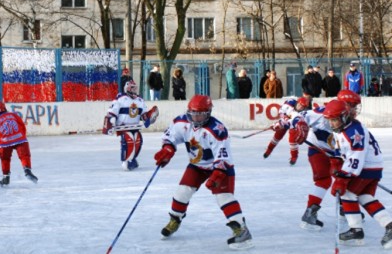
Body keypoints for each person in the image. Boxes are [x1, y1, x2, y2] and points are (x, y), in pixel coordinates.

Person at [154, 95, 253, 249]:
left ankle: (241, 230)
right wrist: (167, 149)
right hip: (197, 166)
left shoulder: (216, 130)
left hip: (219, 168)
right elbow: (170, 137)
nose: (196, 116)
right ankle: (175, 220)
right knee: (181, 192)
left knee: (223, 197)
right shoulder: (181, 122)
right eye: (193, 112)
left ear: (208, 112)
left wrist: (217, 174)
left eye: (200, 113)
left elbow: (223, 156)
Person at [288, 90, 362, 231]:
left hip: (336, 154)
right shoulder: (323, 112)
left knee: (346, 178)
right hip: (318, 149)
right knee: (323, 180)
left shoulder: (351, 122)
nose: (355, 110)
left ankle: (345, 208)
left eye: (356, 106)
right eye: (352, 105)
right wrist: (300, 126)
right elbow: (298, 116)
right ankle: (310, 213)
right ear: (344, 104)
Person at [323, 99, 392, 248]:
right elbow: (339, 148)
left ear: (343, 117)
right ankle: (389, 226)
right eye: (330, 120)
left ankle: (356, 230)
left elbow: (356, 159)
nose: (332, 123)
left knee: (346, 193)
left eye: (334, 120)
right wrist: (336, 161)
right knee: (364, 197)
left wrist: (342, 179)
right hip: (371, 167)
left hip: (365, 167)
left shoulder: (353, 132)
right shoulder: (342, 128)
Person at [103, 80, 158, 171]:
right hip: (123, 126)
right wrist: (112, 120)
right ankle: (125, 161)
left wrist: (148, 117)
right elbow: (113, 110)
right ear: (127, 88)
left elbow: (143, 114)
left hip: (135, 126)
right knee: (129, 140)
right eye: (132, 88)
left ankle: (132, 159)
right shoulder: (121, 97)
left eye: (135, 88)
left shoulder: (140, 100)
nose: (135, 90)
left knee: (138, 140)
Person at [0, 101, 38, 187]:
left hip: (5, 142)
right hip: (19, 138)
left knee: (5, 159)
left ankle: (6, 177)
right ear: (4, 108)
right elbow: (22, 126)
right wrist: (22, 137)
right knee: (24, 155)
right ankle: (27, 170)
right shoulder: (14, 115)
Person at [263, 96, 311, 165]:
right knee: (277, 136)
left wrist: (280, 124)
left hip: (293, 125)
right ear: (297, 102)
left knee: (292, 140)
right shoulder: (290, 102)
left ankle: (294, 157)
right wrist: (282, 119)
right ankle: (269, 149)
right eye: (299, 105)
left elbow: (291, 122)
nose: (300, 107)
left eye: (302, 107)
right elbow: (281, 110)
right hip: (284, 121)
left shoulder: (301, 114)